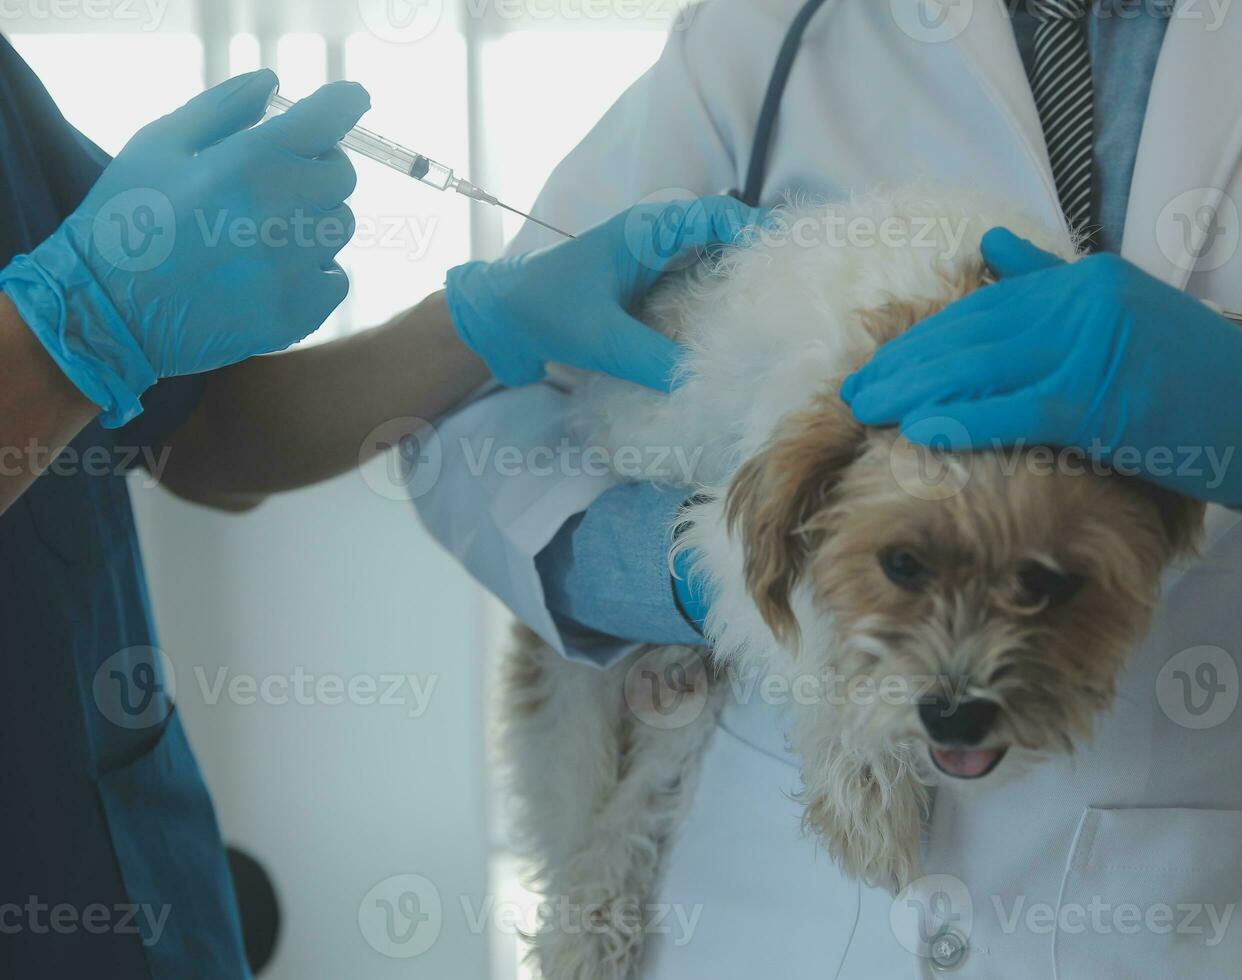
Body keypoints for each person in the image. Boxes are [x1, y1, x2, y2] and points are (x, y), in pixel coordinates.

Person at [413, 0, 1242, 976]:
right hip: (768, 908)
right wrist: (701, 570)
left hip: (1227, 918)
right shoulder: (773, 27)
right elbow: (468, 418)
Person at [0, 35, 750, 976]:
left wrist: (485, 321)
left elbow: (194, 433)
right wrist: (83, 315)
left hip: (128, 874)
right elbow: (94, 354)